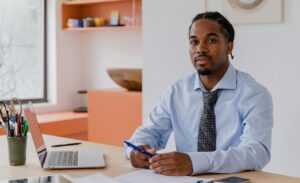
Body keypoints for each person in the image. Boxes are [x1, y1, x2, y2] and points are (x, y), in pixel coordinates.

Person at [125, 11, 273, 176]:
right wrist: (136, 151)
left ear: (229, 47)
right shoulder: (176, 92)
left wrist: (194, 162)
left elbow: (257, 152)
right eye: (194, 42)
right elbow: (148, 132)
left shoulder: (254, 94)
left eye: (211, 40)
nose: (200, 49)